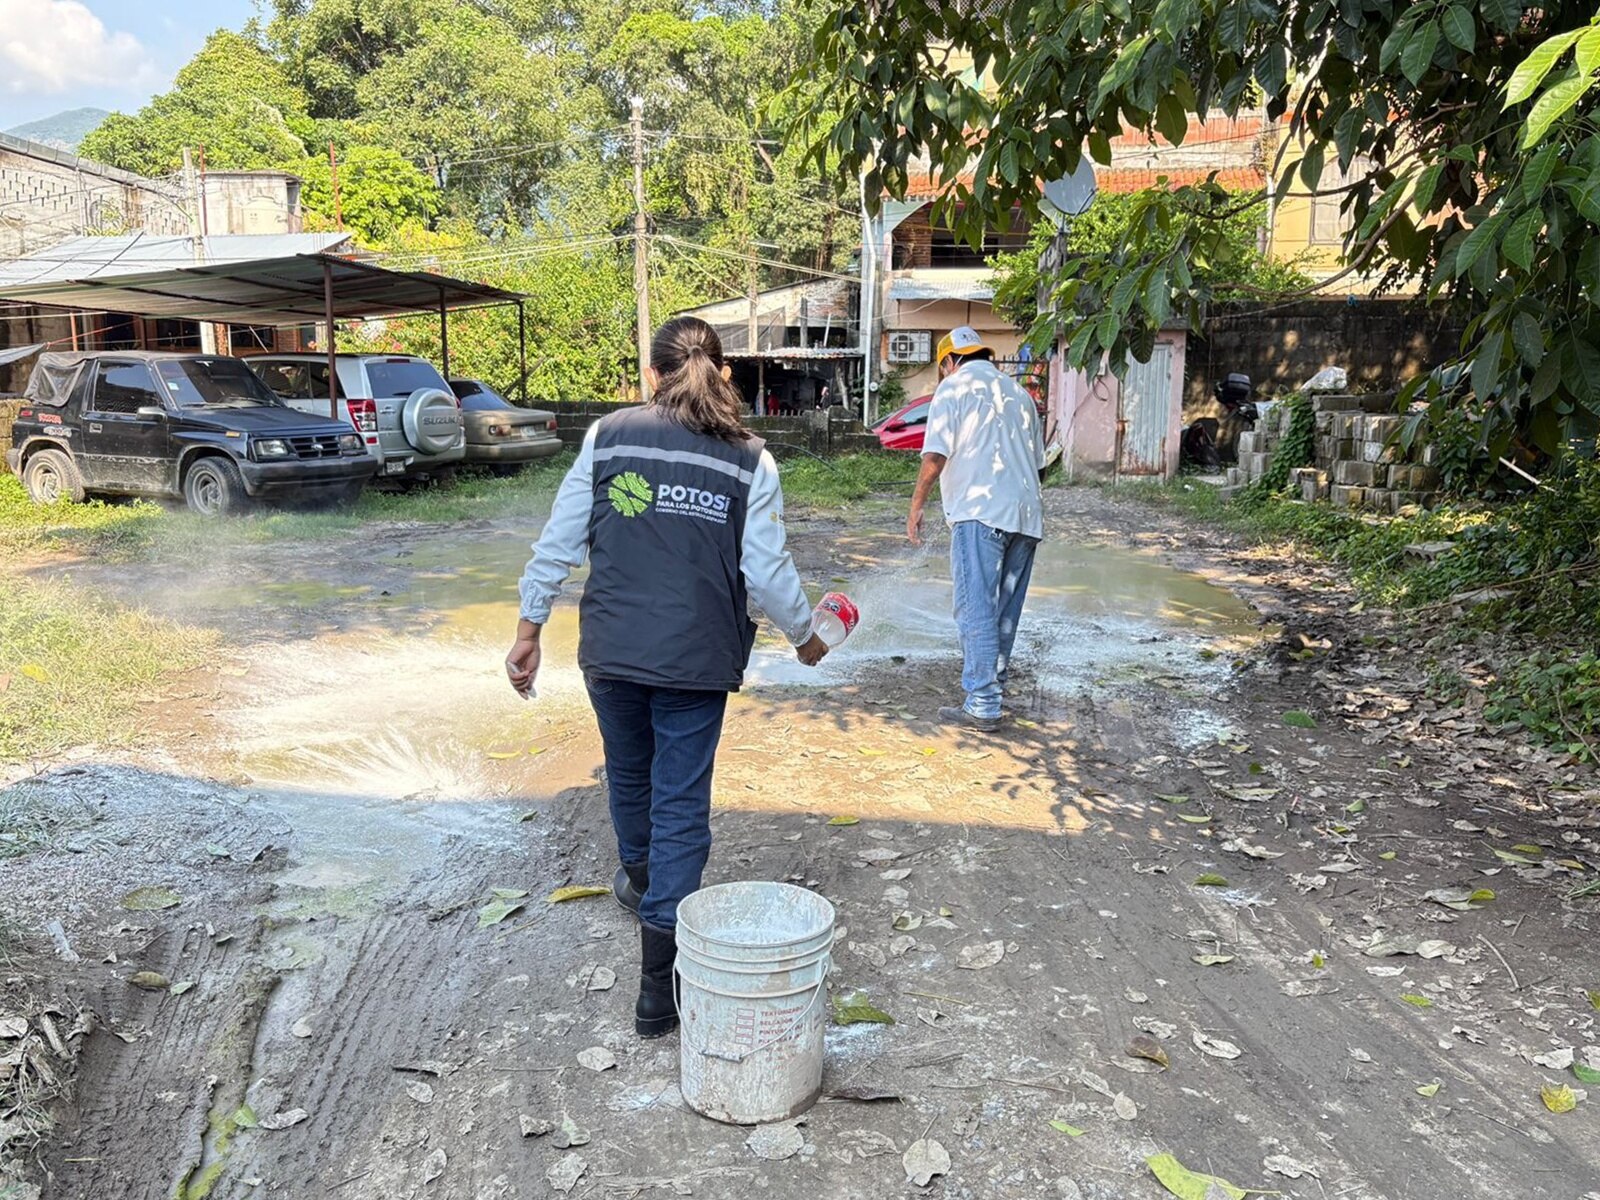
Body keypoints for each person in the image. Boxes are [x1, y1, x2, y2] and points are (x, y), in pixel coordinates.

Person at [507, 316, 829, 1038]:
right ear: (724, 375)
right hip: (696, 658)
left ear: (651, 374)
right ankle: (659, 990)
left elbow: (559, 540)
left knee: (629, 774)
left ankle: (644, 881)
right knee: (679, 803)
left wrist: (531, 629)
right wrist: (806, 637)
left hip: (613, 651)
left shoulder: (608, 435)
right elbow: (767, 571)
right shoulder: (752, 459)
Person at [905, 325, 1045, 731]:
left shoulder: (953, 389)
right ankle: (992, 686)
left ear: (950, 362)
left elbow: (934, 456)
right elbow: (1039, 466)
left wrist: (916, 506)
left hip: (978, 511)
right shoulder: (1020, 396)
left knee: (975, 607)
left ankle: (983, 703)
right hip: (1026, 514)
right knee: (1004, 609)